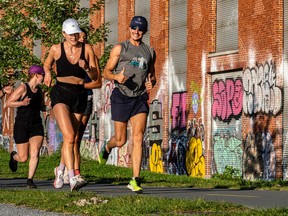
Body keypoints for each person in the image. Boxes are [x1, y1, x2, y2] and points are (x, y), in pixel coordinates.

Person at [100, 16, 156, 194]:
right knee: (121, 139)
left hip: (139, 97)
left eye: (139, 29)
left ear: (144, 31)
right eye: (133, 28)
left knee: (138, 137)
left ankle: (135, 179)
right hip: (121, 96)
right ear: (129, 28)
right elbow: (106, 72)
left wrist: (151, 83)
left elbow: (152, 75)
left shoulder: (150, 52)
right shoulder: (120, 48)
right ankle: (107, 147)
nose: (136, 31)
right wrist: (116, 77)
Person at [43, 18, 98, 191]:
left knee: (73, 138)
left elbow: (96, 76)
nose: (74, 37)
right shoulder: (55, 49)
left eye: (76, 34)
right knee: (69, 135)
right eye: (70, 34)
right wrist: (47, 74)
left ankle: (60, 169)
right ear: (64, 34)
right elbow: (46, 64)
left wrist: (87, 68)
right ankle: (73, 176)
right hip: (61, 93)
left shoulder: (87, 48)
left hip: (79, 95)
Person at [63, 29, 102, 186]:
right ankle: (68, 170)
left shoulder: (91, 57)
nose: (82, 40)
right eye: (80, 37)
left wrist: (83, 82)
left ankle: (72, 171)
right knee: (71, 136)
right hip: (70, 98)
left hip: (86, 97)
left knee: (77, 137)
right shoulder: (68, 56)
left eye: (84, 38)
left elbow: (98, 81)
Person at [7, 65, 45, 189]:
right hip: (22, 125)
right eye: (42, 75)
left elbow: (41, 107)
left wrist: (50, 108)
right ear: (36, 75)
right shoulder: (23, 88)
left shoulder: (40, 91)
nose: (43, 78)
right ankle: (14, 156)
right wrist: (22, 103)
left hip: (36, 125)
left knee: (35, 152)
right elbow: (9, 103)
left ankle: (30, 180)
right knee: (23, 158)